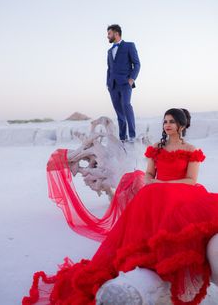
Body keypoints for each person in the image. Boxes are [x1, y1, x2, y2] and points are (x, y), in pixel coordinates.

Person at [22, 108, 218, 305]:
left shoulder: (191, 150)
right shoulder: (157, 148)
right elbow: (149, 175)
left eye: (172, 122)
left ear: (182, 125)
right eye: (166, 121)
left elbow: (191, 181)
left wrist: (162, 185)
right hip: (154, 193)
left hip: (181, 192)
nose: (167, 125)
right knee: (144, 219)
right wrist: (154, 183)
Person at [106, 24, 140, 143]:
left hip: (125, 83)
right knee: (119, 113)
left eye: (109, 34)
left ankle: (132, 136)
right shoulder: (109, 51)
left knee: (126, 105)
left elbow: (137, 64)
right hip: (113, 85)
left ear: (116, 34)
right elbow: (109, 68)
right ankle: (123, 139)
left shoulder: (129, 46)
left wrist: (132, 79)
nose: (107, 36)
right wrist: (108, 83)